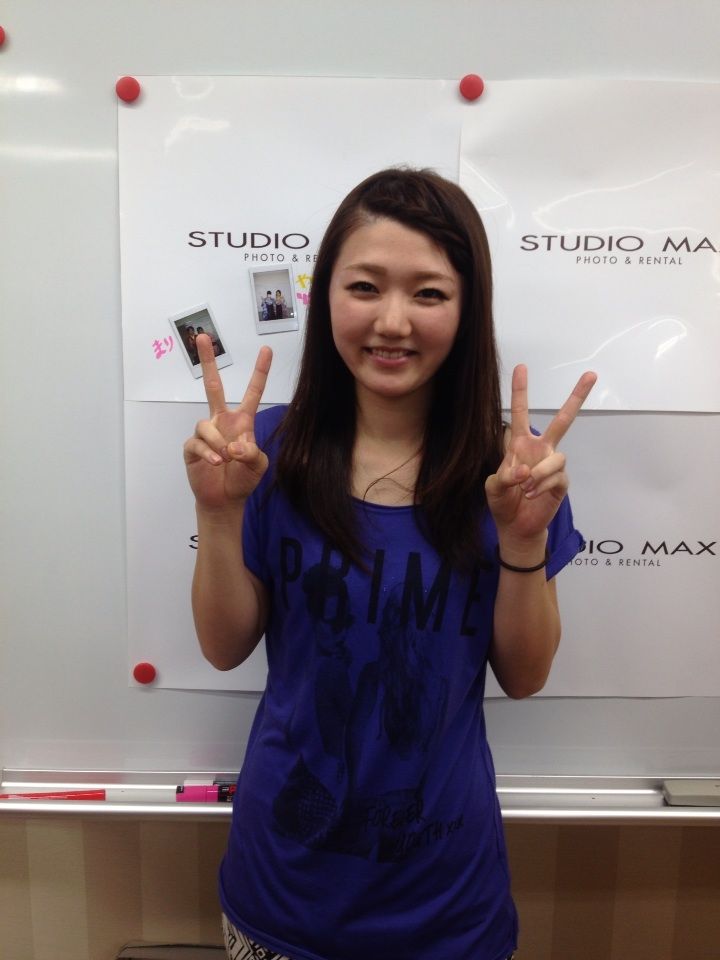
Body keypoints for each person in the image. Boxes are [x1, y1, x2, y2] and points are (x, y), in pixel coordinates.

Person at [184, 168, 596, 960]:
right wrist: (219, 513)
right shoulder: (264, 452)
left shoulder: (511, 474)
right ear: (325, 299)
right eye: (365, 287)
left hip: (447, 908)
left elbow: (525, 675)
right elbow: (224, 647)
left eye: (429, 293)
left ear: (467, 310)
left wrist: (521, 542)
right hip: (282, 894)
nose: (393, 321)